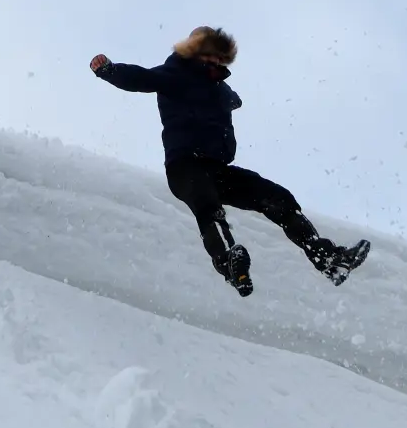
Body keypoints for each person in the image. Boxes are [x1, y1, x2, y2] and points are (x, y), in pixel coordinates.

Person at [90, 26, 370, 296]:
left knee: (277, 198)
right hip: (185, 166)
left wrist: (230, 99)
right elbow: (141, 78)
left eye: (218, 55)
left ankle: (328, 259)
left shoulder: (219, 87)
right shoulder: (175, 73)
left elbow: (232, 99)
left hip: (217, 169)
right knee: (208, 205)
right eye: (208, 53)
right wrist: (109, 70)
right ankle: (229, 263)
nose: (214, 59)